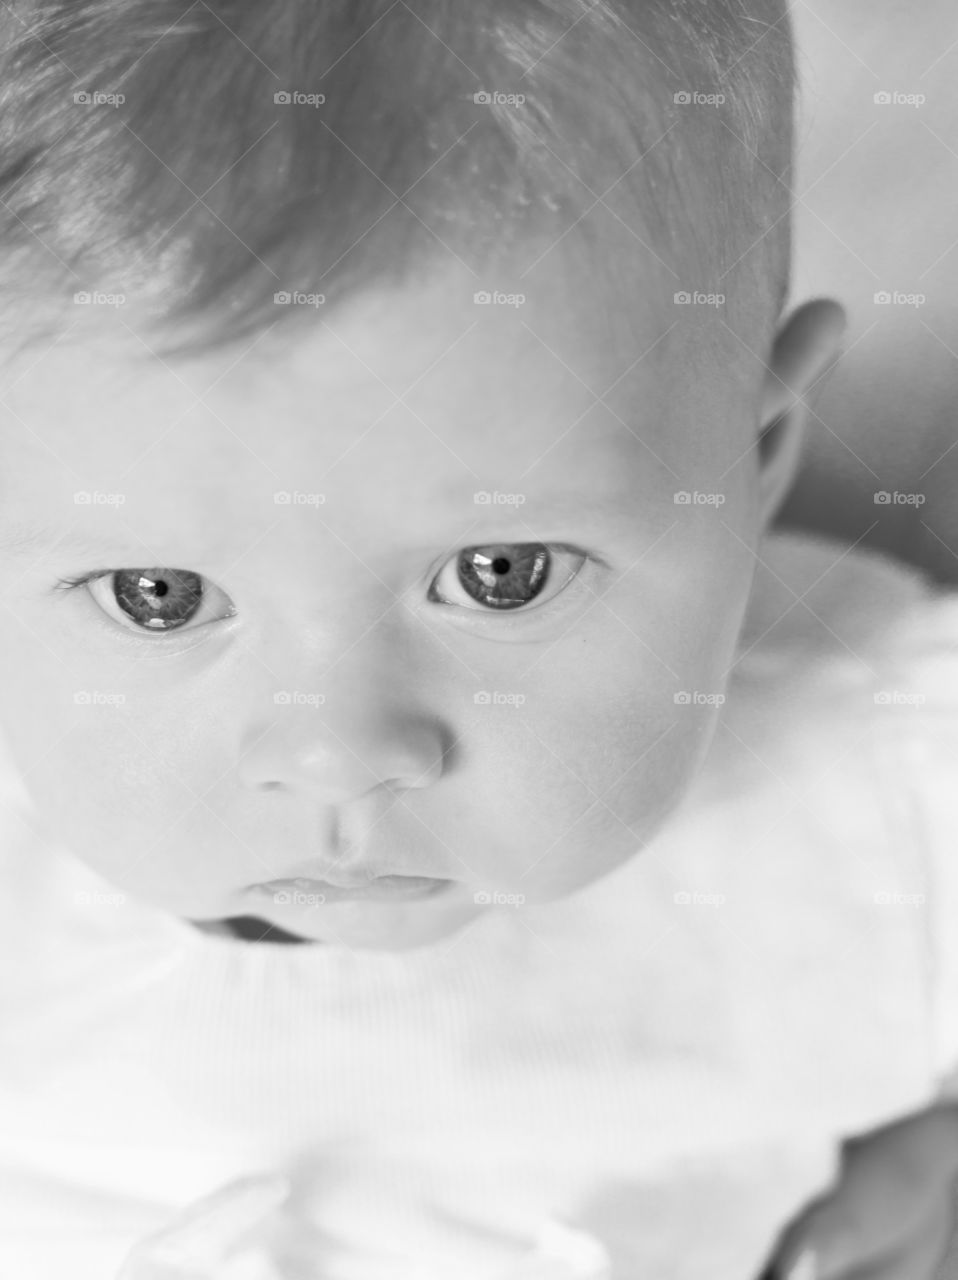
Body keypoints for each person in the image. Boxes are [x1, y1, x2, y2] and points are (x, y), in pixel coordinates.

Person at [0, 1, 956, 1277]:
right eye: (156, 597)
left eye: (499, 576)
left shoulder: (890, 780)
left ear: (751, 456)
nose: (342, 752)